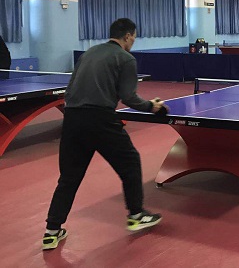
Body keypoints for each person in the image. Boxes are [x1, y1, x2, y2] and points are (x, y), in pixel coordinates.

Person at [42, 18, 167, 251]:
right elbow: (129, 97)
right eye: (134, 37)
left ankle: (51, 231)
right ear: (128, 36)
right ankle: (136, 215)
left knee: (69, 178)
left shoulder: (88, 53)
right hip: (100, 119)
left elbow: (69, 90)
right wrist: (152, 106)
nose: (134, 41)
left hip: (72, 119)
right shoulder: (126, 58)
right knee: (130, 162)